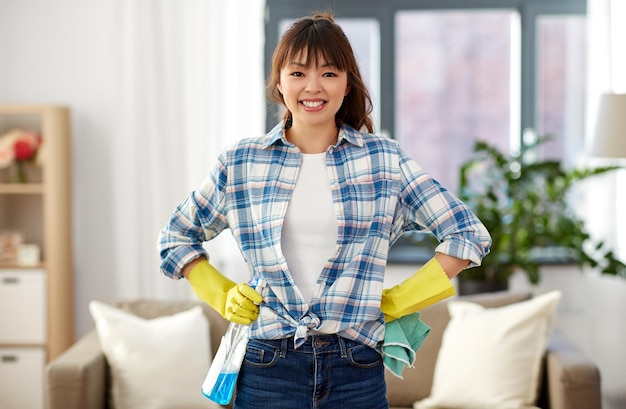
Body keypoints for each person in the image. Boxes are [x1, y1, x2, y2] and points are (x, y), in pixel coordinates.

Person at [158, 12, 491, 409]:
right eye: (298, 73)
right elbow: (175, 236)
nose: (313, 87)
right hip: (267, 368)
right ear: (278, 81)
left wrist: (403, 298)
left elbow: (469, 234)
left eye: (329, 73)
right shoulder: (241, 162)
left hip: (356, 368)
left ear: (347, 83)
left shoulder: (385, 160)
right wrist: (221, 292)